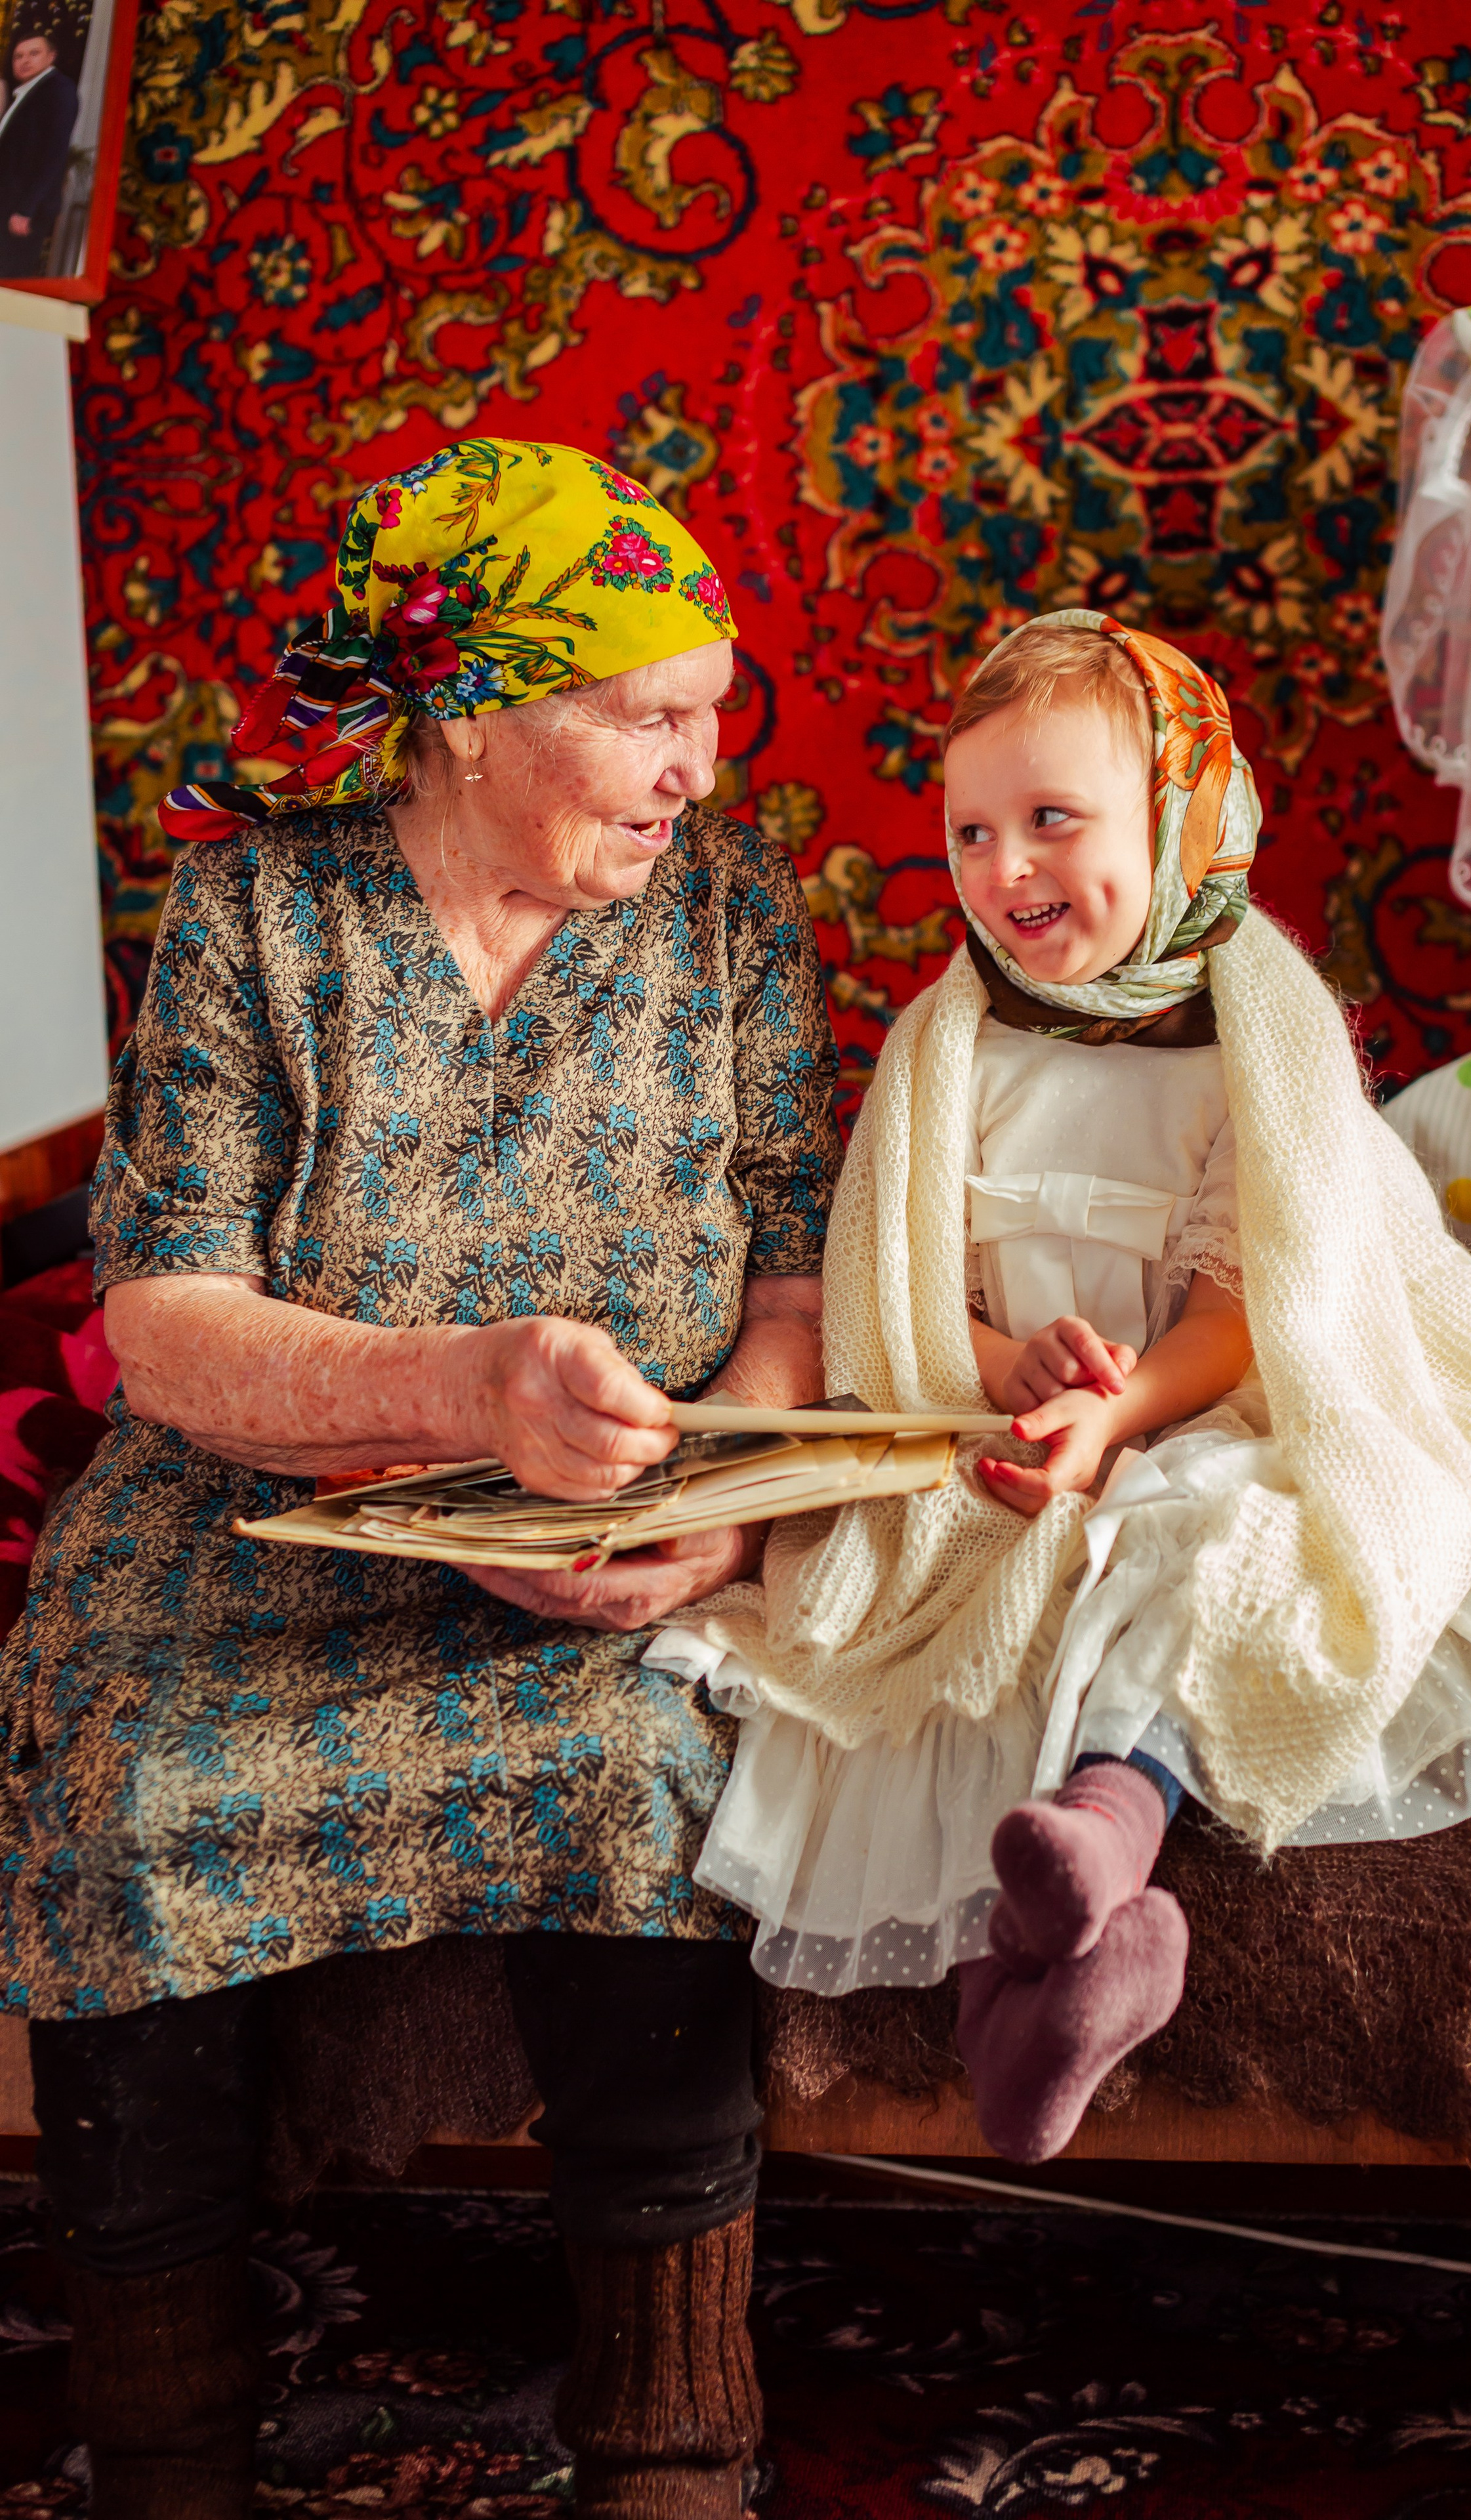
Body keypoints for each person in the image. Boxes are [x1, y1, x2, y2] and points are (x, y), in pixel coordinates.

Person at [0, 438, 841, 2517]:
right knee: (113, 1778)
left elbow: (798, 1266)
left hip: (612, 1535)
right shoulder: (257, 909)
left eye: (711, 714)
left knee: (648, 1769)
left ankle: (671, 2445)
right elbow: (167, 1316)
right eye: (647, 715)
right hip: (253, 1516)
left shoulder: (730, 909)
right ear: (473, 710)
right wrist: (466, 1386)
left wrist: (717, 1512)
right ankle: (165, 2441)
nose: (696, 769)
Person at [652, 608, 1471, 2162]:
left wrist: (1120, 1413)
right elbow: (904, 1296)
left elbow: (1248, 1310)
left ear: (1178, 819)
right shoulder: (950, 1048)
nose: (1006, 867)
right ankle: (1061, 1984)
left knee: (1195, 1533)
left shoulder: (1250, 1044)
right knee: (932, 1602)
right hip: (1005, 1419)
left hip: (1198, 1408)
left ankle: (1101, 1829)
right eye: (971, 833)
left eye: (1051, 820)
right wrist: (1010, 1371)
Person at [0, 28, 77, 281]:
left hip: (21, 210)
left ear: (51, 56)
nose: (24, 61)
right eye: (18, 56)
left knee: (8, 280)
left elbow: (54, 155)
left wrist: (26, 210)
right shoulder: (28, 93)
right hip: (9, 203)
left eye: (34, 54)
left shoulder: (58, 90)